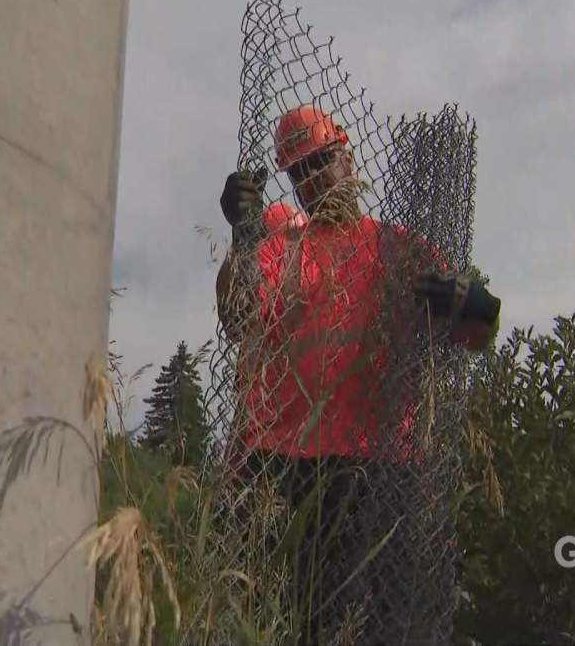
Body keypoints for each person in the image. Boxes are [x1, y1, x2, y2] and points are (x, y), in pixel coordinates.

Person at [214, 105, 502, 645]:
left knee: (381, 628)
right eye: (299, 171)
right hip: (284, 466)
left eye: (322, 160)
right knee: (289, 626)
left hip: (379, 466)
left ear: (347, 156)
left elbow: (475, 336)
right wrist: (243, 238)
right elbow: (235, 318)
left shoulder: (398, 247)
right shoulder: (281, 239)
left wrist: (479, 304)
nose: (314, 178)